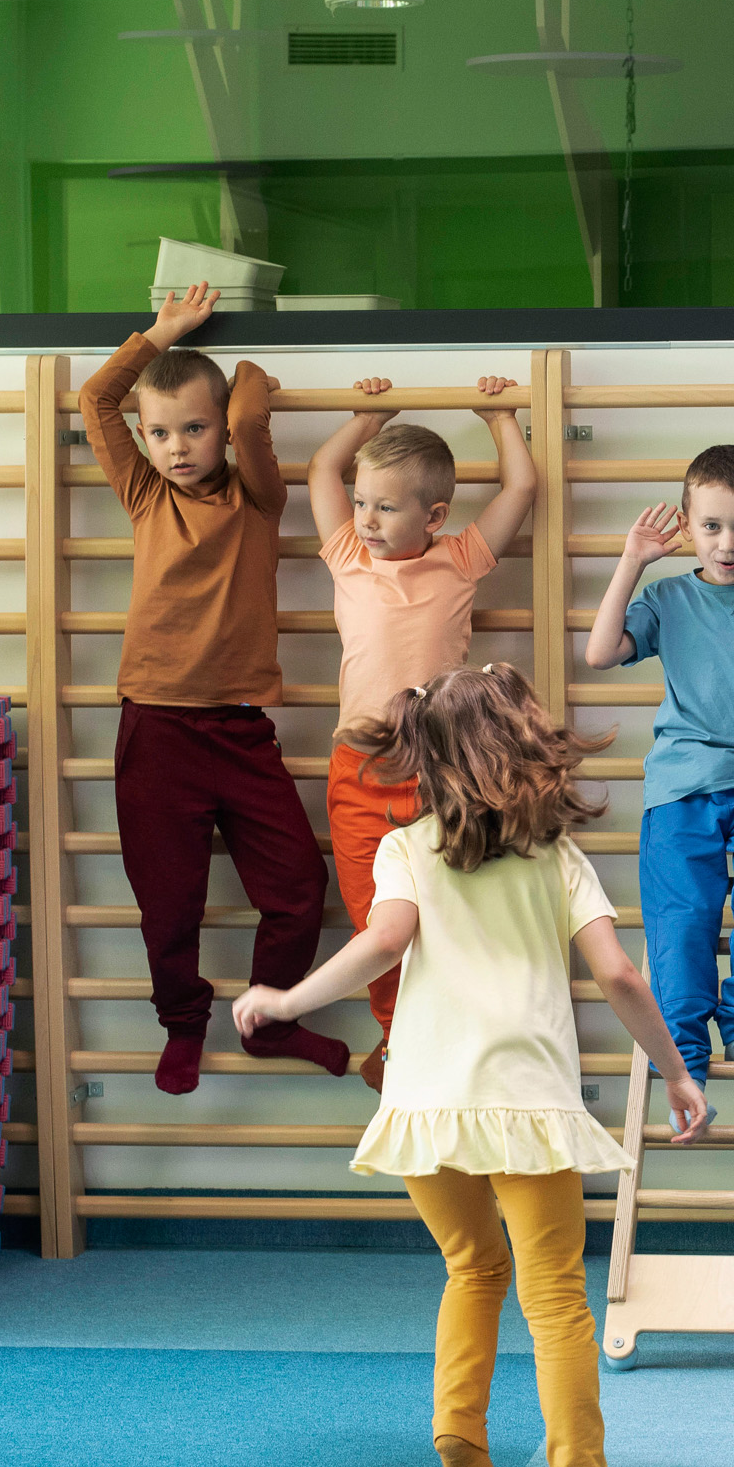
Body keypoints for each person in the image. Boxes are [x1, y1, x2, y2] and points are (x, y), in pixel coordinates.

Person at [233, 664, 703, 1467]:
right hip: (528, 1109)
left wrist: (291, 1000)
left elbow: (383, 942)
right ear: (526, 749)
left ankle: (460, 1432)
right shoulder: (559, 859)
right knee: (555, 1295)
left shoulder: (405, 847)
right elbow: (620, 975)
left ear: (430, 761)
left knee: (472, 1267)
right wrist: (676, 1072)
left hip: (425, 1105)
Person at [79, 281, 337, 1095]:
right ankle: (182, 1022)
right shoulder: (145, 493)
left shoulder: (257, 497)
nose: (177, 446)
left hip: (238, 731)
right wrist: (158, 333)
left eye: (196, 428)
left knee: (299, 887)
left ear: (222, 430)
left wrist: (238, 391)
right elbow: (96, 396)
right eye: (160, 433)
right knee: (169, 904)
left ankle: (270, 1017)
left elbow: (254, 407)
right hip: (155, 731)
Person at [309, 374, 538, 1091]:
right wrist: (366, 417)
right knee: (375, 913)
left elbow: (522, 489)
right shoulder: (348, 554)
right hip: (360, 769)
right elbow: (321, 470)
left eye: (385, 506)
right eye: (362, 502)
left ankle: (450, 1032)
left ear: (434, 514)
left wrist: (500, 416)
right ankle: (394, 1035)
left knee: (448, 907)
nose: (367, 518)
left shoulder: (459, 558)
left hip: (443, 767)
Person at [584, 445, 734, 1088]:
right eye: (712, 526)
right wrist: (632, 561)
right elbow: (600, 652)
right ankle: (686, 1065)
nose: (728, 544)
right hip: (680, 784)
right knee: (682, 918)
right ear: (689, 527)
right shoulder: (666, 597)